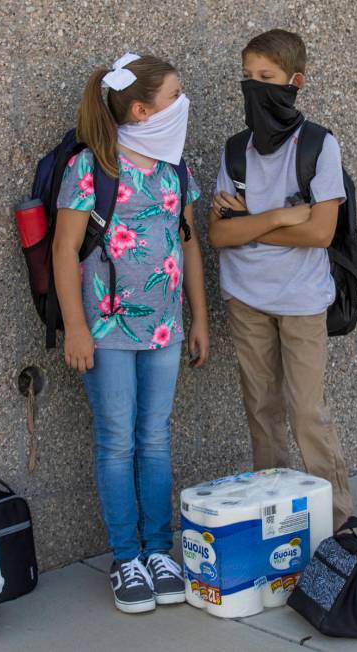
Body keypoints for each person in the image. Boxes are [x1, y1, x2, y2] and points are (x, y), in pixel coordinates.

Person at [53, 52, 209, 614]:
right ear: (142, 110)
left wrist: (199, 318)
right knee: (116, 441)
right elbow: (65, 248)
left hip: (164, 329)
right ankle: (127, 558)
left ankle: (158, 551)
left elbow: (188, 242)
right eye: (174, 96)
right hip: (105, 331)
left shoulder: (177, 167)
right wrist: (75, 326)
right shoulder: (91, 167)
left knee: (155, 438)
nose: (183, 104)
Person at [208, 29, 352, 531]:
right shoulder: (234, 151)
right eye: (247, 78)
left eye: (265, 78)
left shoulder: (318, 145)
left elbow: (320, 232)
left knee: (308, 411)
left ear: (294, 83)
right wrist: (280, 217)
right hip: (245, 299)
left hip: (301, 300)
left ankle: (335, 523)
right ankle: (277, 515)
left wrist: (253, 220)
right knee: (262, 411)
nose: (254, 87)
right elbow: (219, 237)